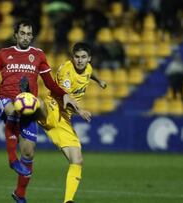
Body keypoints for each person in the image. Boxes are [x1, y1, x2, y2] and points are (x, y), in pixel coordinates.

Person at [0, 19, 79, 203]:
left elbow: (49, 82)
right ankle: (11, 159)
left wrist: (64, 95)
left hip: (28, 106)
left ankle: (20, 194)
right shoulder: (4, 53)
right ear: (16, 35)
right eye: (22, 33)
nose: (26, 37)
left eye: (29, 34)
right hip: (6, 100)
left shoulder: (38, 55)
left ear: (32, 36)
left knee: (29, 153)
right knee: (12, 111)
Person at [37, 42, 107, 203]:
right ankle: (29, 104)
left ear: (89, 59)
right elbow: (65, 98)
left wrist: (99, 81)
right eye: (77, 57)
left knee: (77, 160)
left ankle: (68, 201)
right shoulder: (66, 73)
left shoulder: (88, 68)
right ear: (72, 57)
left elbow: (90, 73)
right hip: (54, 107)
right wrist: (80, 111)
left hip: (65, 119)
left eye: (83, 57)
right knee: (39, 105)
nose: (80, 61)